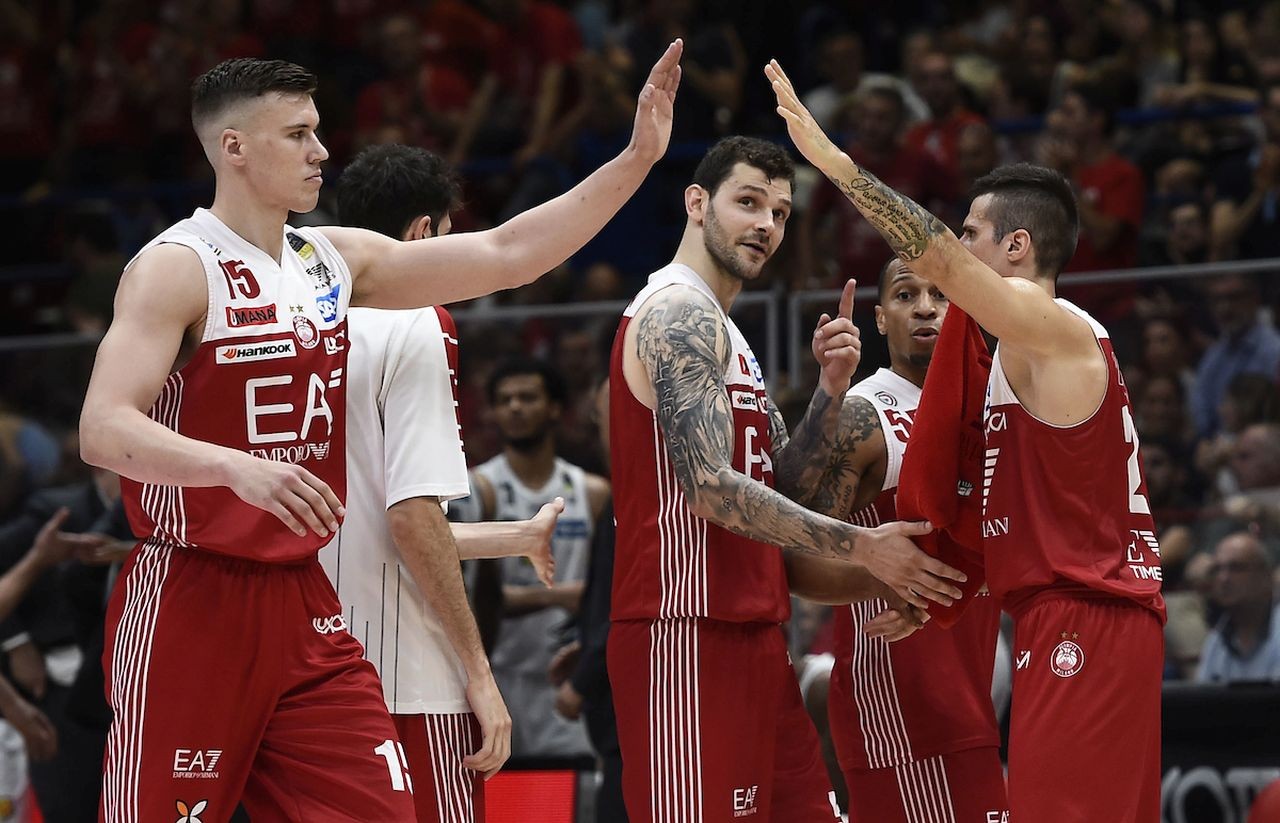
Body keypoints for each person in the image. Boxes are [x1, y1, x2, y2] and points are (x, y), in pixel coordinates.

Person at [78, 46, 681, 822]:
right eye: (298, 134)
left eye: (317, 130)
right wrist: (235, 468)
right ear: (234, 147)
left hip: (305, 599)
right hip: (194, 594)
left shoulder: (333, 260)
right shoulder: (176, 267)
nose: (321, 151)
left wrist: (636, 160)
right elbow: (103, 427)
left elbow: (507, 253)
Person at [768, 58, 1165, 822]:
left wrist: (835, 163)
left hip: (1088, 613)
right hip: (1067, 615)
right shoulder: (1013, 361)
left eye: (973, 234)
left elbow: (936, 254)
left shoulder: (1052, 328)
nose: (955, 252)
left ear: (1016, 246)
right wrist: (935, 590)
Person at [609, 134, 962, 823]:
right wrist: (862, 547)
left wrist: (830, 391)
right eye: (748, 203)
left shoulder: (729, 333)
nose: (766, 225)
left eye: (779, 212)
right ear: (696, 203)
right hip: (682, 633)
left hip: (757, 633)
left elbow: (788, 487)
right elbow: (710, 487)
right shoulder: (676, 312)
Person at [325, 142, 568, 822]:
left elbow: (368, 521)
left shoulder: (298, 322)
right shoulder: (420, 319)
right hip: (404, 674)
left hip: (310, 675)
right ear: (423, 234)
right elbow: (409, 517)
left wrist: (515, 536)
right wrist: (479, 674)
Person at [786, 258, 1007, 822]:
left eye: (941, 294)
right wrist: (890, 578)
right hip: (899, 710)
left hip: (973, 695)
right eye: (907, 295)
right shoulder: (864, 415)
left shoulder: (988, 409)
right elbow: (797, 561)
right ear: (881, 318)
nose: (926, 308)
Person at [450, 358, 608, 759]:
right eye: (505, 400)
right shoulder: (477, 489)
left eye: (527, 397)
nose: (515, 407)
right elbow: (466, 594)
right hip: (497, 674)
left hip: (566, 677)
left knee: (570, 790)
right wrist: (558, 595)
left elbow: (607, 592)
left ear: (555, 408)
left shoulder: (591, 492)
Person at [549, 377, 626, 821]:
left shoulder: (639, 498)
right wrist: (587, 646)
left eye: (606, 416)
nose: (603, 430)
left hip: (633, 720)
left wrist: (582, 682)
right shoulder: (622, 494)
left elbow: (628, 608)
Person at [1197, 532, 1280, 683]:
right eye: (1217, 569)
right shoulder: (1216, 640)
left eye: (1236, 568)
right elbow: (1202, 695)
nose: (1224, 578)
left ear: (1265, 576)